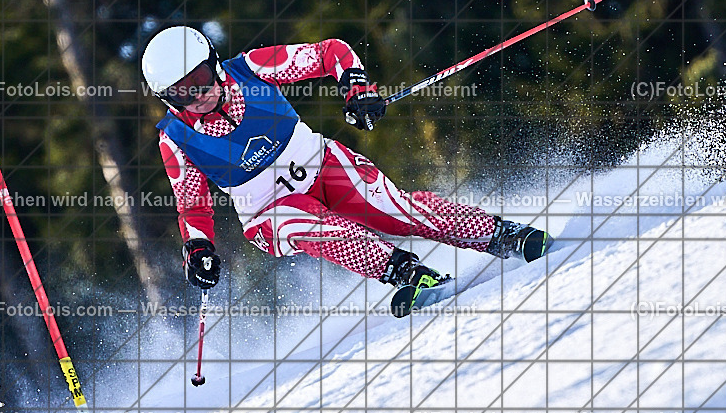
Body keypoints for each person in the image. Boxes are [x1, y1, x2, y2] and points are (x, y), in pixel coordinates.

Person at [142, 26, 552, 316]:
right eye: (180, 92)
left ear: (213, 63)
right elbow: (192, 205)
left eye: (197, 79)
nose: (195, 96)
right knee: (313, 225)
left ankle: (500, 235)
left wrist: (356, 88)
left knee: (398, 212)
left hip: (321, 165)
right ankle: (406, 272)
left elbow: (330, 53)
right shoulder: (175, 137)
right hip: (267, 212)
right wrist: (198, 249)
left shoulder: (251, 68)